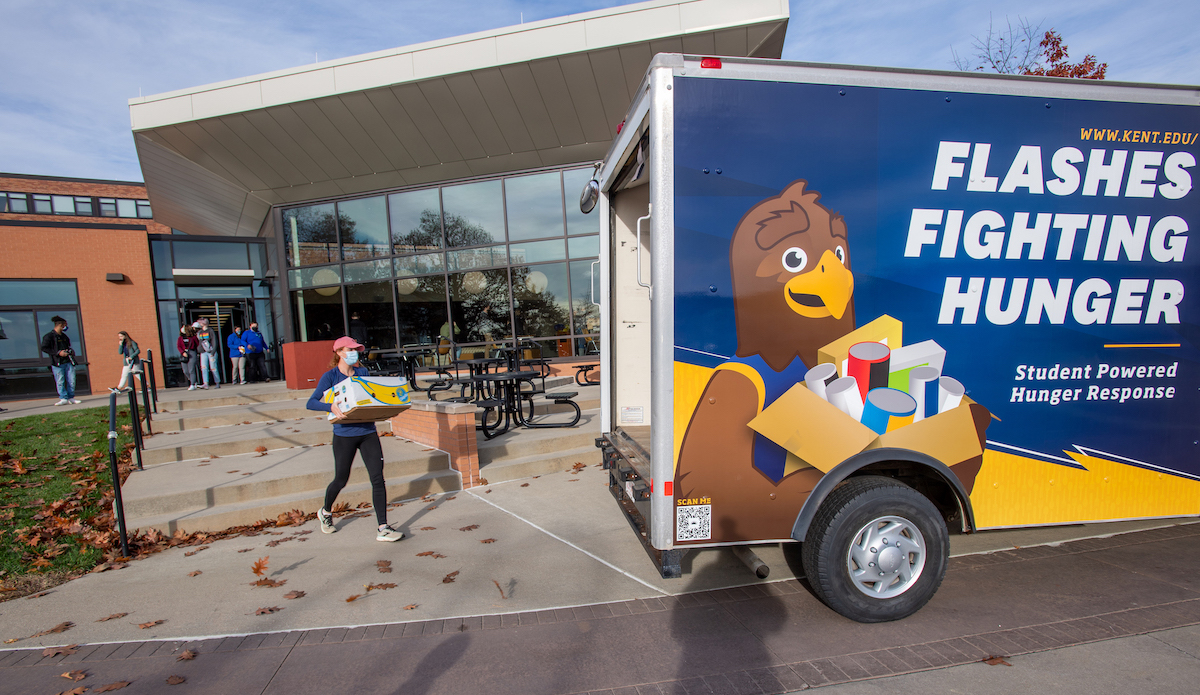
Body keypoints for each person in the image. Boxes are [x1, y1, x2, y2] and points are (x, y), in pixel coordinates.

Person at [305, 336, 405, 542]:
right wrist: (329, 406)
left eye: (356, 350)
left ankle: (383, 528)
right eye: (350, 350)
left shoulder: (363, 373)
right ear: (339, 352)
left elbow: (370, 398)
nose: (355, 353)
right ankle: (325, 512)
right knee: (341, 479)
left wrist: (387, 409)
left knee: (377, 478)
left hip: (368, 432)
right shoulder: (330, 376)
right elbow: (311, 402)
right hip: (344, 435)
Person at [41, 316, 79, 405]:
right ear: (61, 325)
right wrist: (58, 353)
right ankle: (63, 397)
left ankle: (71, 397)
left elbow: (68, 346)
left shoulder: (64, 336)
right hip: (57, 363)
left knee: (71, 380)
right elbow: (44, 348)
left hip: (68, 361)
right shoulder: (49, 336)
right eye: (65, 325)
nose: (66, 327)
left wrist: (70, 351)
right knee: (60, 380)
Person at [195, 318, 221, 388]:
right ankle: (205, 383)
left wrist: (213, 351)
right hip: (203, 352)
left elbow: (214, 341)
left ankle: (217, 382)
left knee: (213, 367)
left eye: (200, 323)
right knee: (204, 367)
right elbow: (199, 342)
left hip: (211, 351)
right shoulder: (200, 332)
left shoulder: (210, 331)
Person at [177, 325, 200, 390]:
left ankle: (192, 384)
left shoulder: (193, 337)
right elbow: (179, 346)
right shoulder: (180, 338)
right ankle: (193, 380)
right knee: (185, 370)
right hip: (184, 353)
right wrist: (182, 352)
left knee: (191, 369)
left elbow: (197, 344)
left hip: (192, 352)